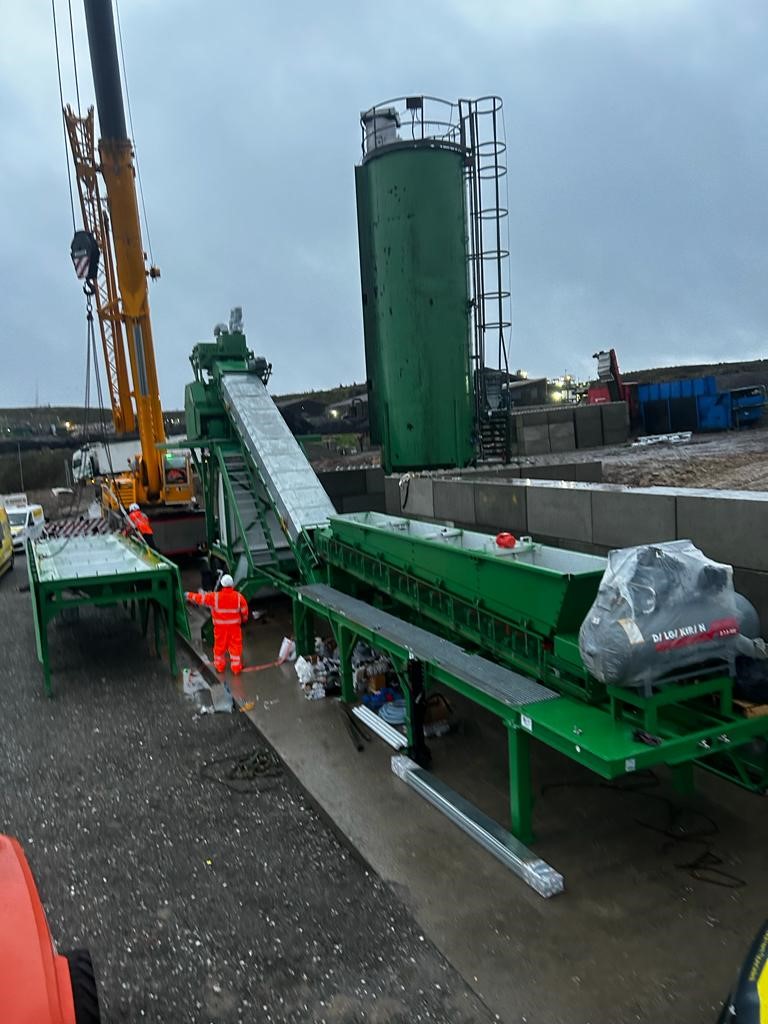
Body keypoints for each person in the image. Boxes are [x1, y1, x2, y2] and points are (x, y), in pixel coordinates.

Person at [185, 574, 248, 675]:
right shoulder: (239, 597)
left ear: (222, 585)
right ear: (232, 585)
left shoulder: (215, 597)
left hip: (220, 629)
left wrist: (188, 595)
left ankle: (219, 667)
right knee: (235, 648)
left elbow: (200, 599)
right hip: (234, 628)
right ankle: (236, 668)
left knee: (219, 647)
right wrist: (244, 620)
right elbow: (244, 611)